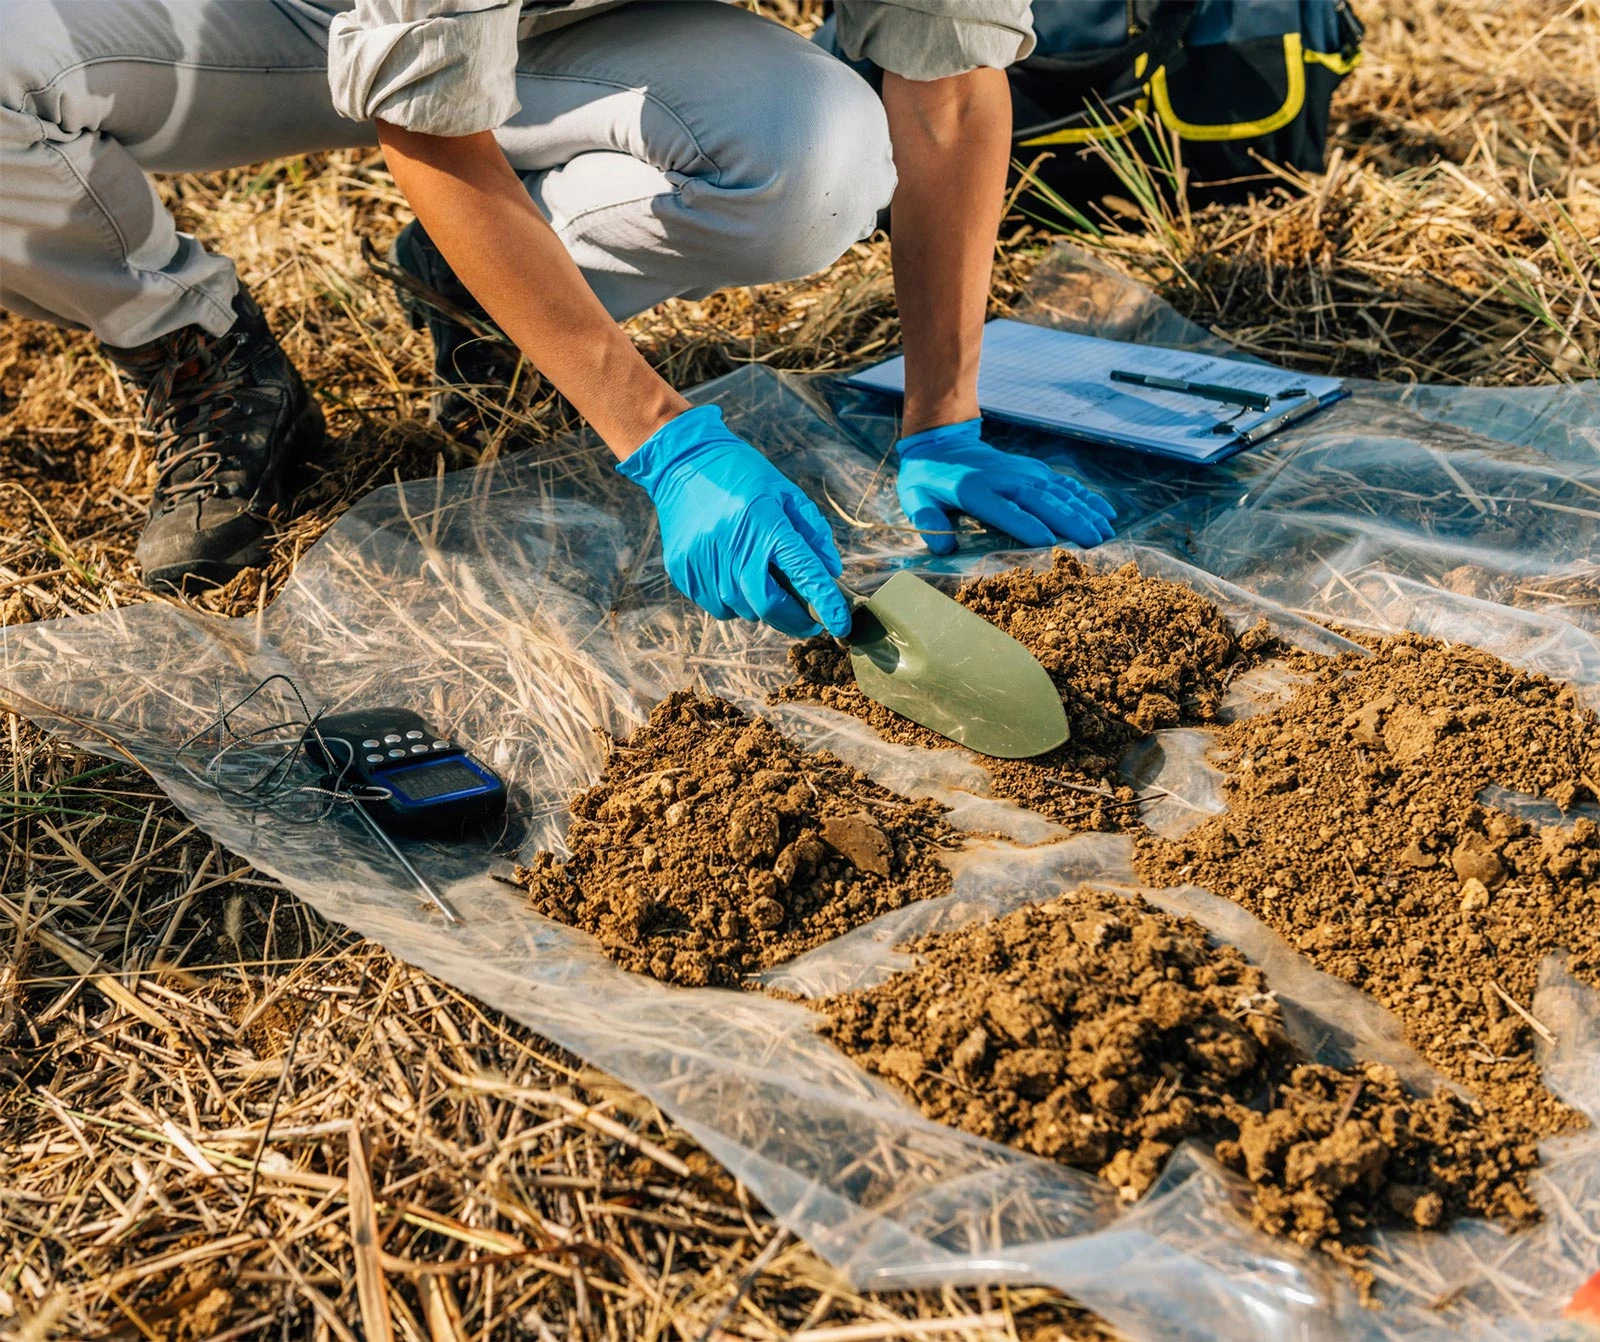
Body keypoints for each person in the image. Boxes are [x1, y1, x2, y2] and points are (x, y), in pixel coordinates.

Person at [1, 0, 1115, 636]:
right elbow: (426, 124)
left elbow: (950, 91)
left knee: (814, 157)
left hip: (573, 29)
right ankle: (196, 346)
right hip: (265, 20)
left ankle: (480, 281)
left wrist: (941, 417)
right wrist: (663, 441)